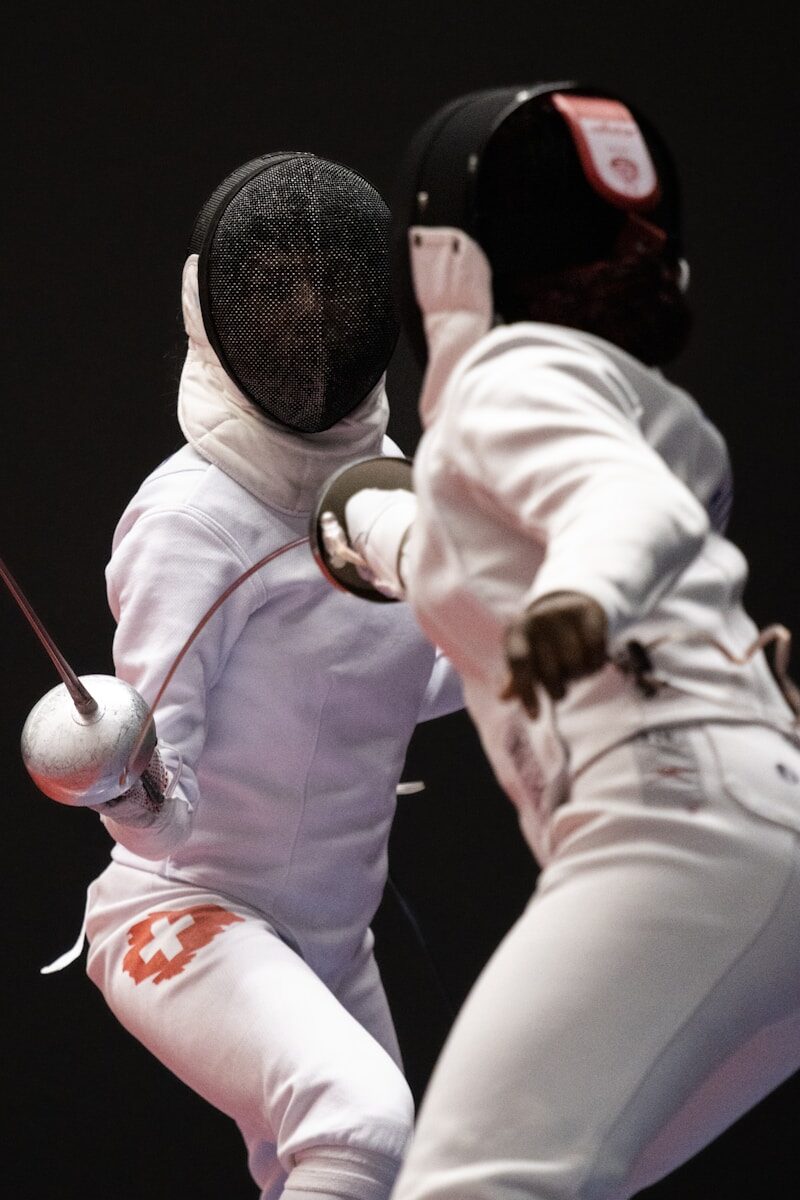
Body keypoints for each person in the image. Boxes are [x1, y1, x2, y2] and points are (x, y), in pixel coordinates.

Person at [337, 84, 800, 1199]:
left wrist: (574, 603)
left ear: (442, 258)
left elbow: (617, 513)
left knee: (469, 1186)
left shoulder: (505, 379)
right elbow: (488, 539)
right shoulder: (617, 399)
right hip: (756, 820)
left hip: (676, 825)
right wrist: (368, 527)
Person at [81, 151, 463, 1200]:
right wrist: (123, 774)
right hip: (189, 914)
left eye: (328, 288)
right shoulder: (191, 518)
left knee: (396, 1172)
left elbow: (392, 688)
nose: (306, 322)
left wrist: (514, 642)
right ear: (218, 309)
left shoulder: (387, 493)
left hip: (331, 937)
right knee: (362, 1125)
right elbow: (159, 815)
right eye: (277, 293)